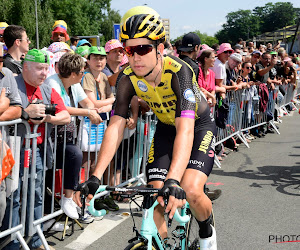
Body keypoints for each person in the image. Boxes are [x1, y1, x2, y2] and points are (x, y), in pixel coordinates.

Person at [76, 6, 217, 249]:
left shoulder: (179, 72)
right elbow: (116, 126)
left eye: (143, 49)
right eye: (129, 50)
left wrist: (173, 179)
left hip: (197, 126)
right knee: (154, 196)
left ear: (160, 49)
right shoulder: (127, 77)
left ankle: (207, 232)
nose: (135, 57)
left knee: (191, 190)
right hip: (165, 128)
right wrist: (96, 176)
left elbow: (186, 130)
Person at [1, 49, 70, 250]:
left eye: (46, 68)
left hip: (36, 150)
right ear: (25, 67)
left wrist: (46, 118)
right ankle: (11, 243)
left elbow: (65, 116)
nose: (44, 73)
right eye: (39, 68)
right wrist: (25, 114)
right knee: (14, 195)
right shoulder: (11, 83)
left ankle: (35, 239)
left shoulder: (47, 88)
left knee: (36, 193)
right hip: (13, 148)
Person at [45, 53, 101, 222]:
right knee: (57, 169)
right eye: (81, 72)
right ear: (73, 73)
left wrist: (90, 109)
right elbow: (62, 109)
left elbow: (87, 102)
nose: (84, 74)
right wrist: (88, 112)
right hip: (51, 138)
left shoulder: (74, 83)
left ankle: (71, 202)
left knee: (74, 163)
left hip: (68, 136)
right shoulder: (52, 83)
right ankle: (50, 215)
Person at [81, 46, 115, 174]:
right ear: (88, 60)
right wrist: (111, 102)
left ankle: (93, 191)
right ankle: (82, 190)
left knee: (97, 159)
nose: (99, 61)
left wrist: (108, 104)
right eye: (95, 58)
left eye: (102, 58)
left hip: (100, 120)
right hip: (86, 121)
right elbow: (93, 102)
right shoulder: (87, 75)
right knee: (86, 159)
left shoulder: (104, 77)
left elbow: (110, 99)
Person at [0, 42, 22, 228]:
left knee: (2, 200)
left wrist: (5, 105)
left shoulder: (6, 75)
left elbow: (18, 109)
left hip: (1, 147)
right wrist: (2, 104)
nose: (1, 64)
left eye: (1, 59)